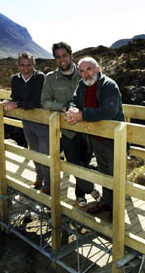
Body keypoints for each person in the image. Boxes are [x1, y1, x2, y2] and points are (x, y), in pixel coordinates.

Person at [41, 42, 100, 207]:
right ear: (55, 59)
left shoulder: (83, 72)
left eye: (64, 55)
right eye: (58, 57)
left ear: (71, 56)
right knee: (74, 163)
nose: (62, 59)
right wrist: (62, 107)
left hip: (87, 127)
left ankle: (80, 194)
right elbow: (44, 102)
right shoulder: (50, 79)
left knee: (85, 162)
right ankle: (90, 189)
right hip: (67, 130)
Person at [65, 56, 125, 219]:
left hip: (113, 139)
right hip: (96, 138)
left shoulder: (109, 86)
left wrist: (82, 115)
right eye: (82, 71)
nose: (85, 74)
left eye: (89, 70)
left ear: (98, 69)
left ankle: (117, 210)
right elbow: (73, 101)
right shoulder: (82, 86)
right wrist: (71, 111)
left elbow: (109, 111)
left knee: (116, 174)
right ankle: (106, 202)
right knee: (104, 172)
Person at [3, 52, 50, 195]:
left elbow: (37, 102)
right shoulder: (15, 80)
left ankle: (48, 182)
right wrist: (9, 102)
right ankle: (39, 178)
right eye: (22, 65)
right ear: (18, 66)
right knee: (34, 152)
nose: (26, 68)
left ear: (33, 65)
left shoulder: (40, 77)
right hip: (27, 122)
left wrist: (16, 103)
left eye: (29, 65)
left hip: (42, 122)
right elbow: (15, 98)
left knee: (45, 154)